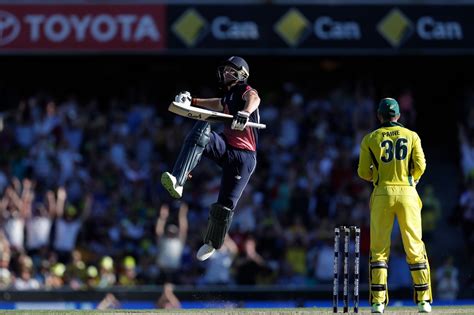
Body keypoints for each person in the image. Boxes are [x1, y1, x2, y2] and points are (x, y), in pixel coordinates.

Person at [161, 56, 261, 261]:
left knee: (224, 205)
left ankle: (212, 243)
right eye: (224, 70)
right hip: (226, 146)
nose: (225, 73)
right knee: (201, 130)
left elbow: (255, 98)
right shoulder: (229, 95)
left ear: (242, 73)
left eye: (230, 70)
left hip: (244, 157)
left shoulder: (244, 90)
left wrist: (245, 112)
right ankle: (178, 179)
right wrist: (194, 101)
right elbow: (217, 103)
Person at [357, 98, 432, 313]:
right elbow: (421, 165)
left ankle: (378, 303)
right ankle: (423, 301)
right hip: (408, 193)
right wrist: (412, 179)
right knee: (414, 246)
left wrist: (377, 178)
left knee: (379, 250)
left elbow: (363, 172)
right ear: (398, 116)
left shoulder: (370, 138)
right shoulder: (412, 136)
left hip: (382, 193)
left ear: (379, 116)